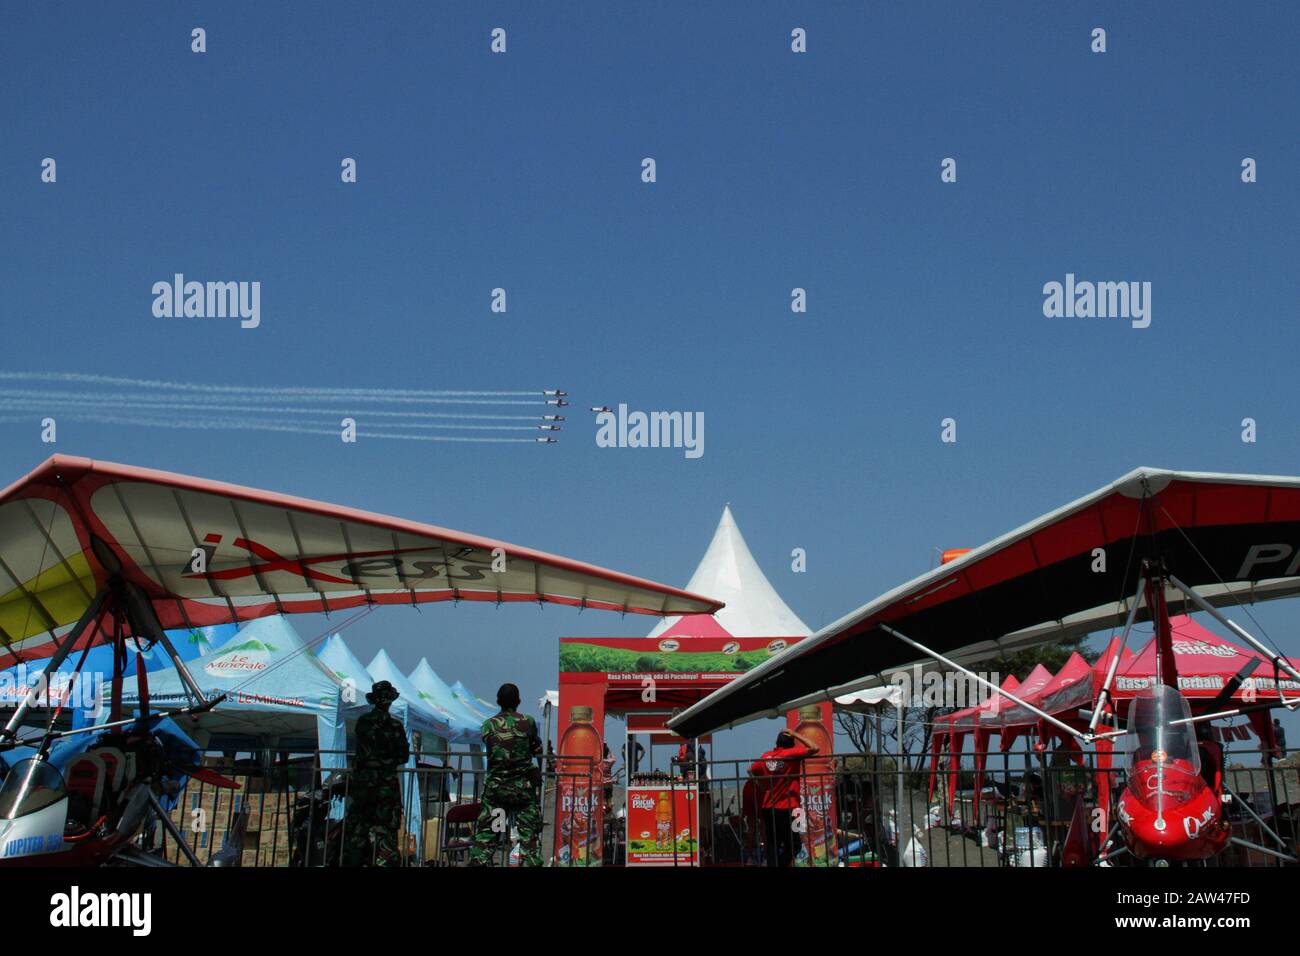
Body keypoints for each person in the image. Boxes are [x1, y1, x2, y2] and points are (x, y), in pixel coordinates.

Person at [470, 682, 543, 866]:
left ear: (497, 701)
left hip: (497, 792)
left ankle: (480, 860)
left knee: (488, 836)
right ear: (518, 701)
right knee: (528, 838)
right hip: (522, 792)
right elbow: (535, 746)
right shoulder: (528, 722)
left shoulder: (488, 725)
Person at [343, 680, 410, 867]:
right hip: (385, 785)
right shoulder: (395, 726)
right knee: (386, 833)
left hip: (363, 784)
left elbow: (360, 750)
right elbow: (403, 756)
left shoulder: (363, 722)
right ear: (389, 701)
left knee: (358, 831)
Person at [748, 727, 819, 867]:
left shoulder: (767, 756)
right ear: (791, 743)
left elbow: (750, 770)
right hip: (790, 807)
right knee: (795, 845)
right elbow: (814, 747)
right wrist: (796, 734)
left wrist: (761, 785)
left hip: (768, 807)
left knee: (773, 845)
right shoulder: (791, 753)